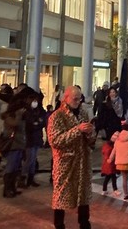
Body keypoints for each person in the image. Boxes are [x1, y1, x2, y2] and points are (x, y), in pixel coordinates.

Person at [48, 86, 96, 229]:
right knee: (61, 197)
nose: (77, 101)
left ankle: (84, 224)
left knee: (84, 197)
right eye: (74, 99)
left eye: (79, 98)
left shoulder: (83, 113)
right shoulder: (57, 116)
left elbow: (91, 140)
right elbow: (55, 140)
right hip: (66, 164)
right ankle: (59, 225)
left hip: (83, 163)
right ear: (66, 98)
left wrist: (90, 133)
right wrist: (77, 130)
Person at [21, 91, 46, 188]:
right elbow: (29, 125)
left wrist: (38, 123)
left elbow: (42, 122)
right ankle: (23, 178)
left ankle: (31, 179)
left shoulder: (37, 111)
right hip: (29, 138)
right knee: (29, 159)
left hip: (36, 137)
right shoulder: (26, 112)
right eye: (34, 101)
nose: (35, 102)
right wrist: (37, 123)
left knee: (33, 159)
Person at [100, 132, 120, 196]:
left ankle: (105, 190)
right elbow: (108, 154)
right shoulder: (111, 146)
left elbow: (104, 153)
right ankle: (114, 190)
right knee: (111, 178)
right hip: (110, 165)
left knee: (108, 178)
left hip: (109, 164)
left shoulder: (107, 145)